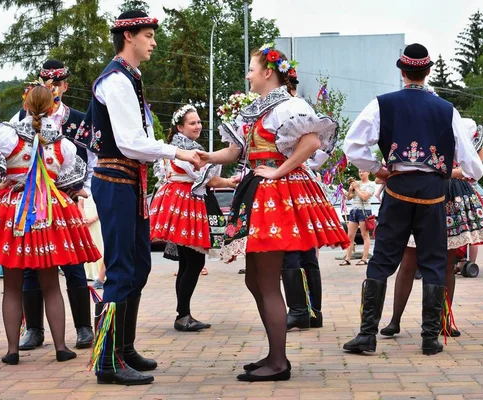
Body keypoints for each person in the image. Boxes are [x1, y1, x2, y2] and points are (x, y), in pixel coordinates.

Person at [198, 43, 350, 381]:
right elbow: (238, 150)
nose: (248, 75)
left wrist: (279, 171)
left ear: (268, 72)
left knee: (266, 281)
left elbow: (311, 143)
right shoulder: (258, 110)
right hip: (258, 191)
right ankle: (273, 352)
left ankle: (279, 362)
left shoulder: (289, 105)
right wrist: (207, 157)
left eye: (251, 69)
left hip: (274, 195)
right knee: (255, 279)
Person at [74, 10, 200, 386]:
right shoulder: (115, 80)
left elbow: (136, 141)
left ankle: (124, 348)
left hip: (131, 181)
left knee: (139, 266)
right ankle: (107, 361)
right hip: (114, 180)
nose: (153, 41)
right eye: (148, 35)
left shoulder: (130, 78)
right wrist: (177, 152)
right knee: (120, 270)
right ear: (129, 37)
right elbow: (130, 141)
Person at [342, 43, 483, 356]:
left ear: (402, 72)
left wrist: (378, 169)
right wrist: (456, 173)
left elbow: (352, 146)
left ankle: (368, 335)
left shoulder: (382, 104)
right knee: (433, 260)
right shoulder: (447, 109)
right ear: (428, 71)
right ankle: (430, 338)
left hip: (397, 188)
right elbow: (473, 164)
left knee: (382, 260)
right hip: (434, 191)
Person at [0, 84, 101, 365]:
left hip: (12, 212)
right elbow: (69, 183)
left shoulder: (7, 134)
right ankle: (61, 347)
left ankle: (12, 351)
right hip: (48, 213)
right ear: (53, 108)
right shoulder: (62, 144)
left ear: (26, 105)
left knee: (13, 286)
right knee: (52, 285)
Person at [380, 122, 483, 338]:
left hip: (450, 195)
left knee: (447, 261)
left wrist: (443, 172)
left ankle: (443, 319)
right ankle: (395, 320)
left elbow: (473, 167)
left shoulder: (463, 130)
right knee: (408, 261)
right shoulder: (420, 130)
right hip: (421, 192)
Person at [11, 60, 96, 352]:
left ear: (66, 85)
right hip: (31, 204)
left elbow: (93, 161)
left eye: (58, 82)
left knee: (73, 262)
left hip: (65, 200)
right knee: (31, 265)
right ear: (38, 83)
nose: (53, 87)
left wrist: (83, 193)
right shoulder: (21, 116)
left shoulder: (79, 119)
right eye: (47, 81)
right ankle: (33, 330)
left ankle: (84, 328)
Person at [149, 104, 237, 332]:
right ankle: (182, 315)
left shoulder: (181, 147)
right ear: (180, 127)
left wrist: (228, 182)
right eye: (192, 123)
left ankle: (183, 314)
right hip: (185, 203)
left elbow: (206, 179)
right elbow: (202, 177)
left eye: (199, 122)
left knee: (188, 261)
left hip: (183, 201)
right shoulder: (184, 149)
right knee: (194, 261)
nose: (198, 126)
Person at [281, 74, 327, 331]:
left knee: (292, 247)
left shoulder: (290, 107)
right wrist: (308, 165)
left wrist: (294, 164)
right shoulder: (304, 107)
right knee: (306, 249)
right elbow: (320, 152)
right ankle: (313, 311)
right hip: (306, 184)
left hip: (291, 183)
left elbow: (314, 147)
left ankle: (299, 309)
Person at [339, 171, 375, 266]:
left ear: (368, 172)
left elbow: (365, 197)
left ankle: (364, 258)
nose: (361, 173)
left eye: (363, 171)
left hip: (364, 211)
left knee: (365, 235)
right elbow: (349, 198)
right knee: (350, 236)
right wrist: (350, 190)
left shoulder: (371, 184)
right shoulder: (357, 183)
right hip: (354, 210)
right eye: (359, 171)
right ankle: (347, 258)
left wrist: (356, 188)